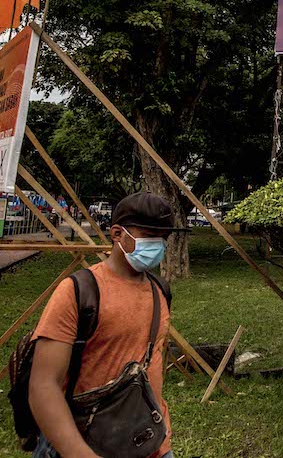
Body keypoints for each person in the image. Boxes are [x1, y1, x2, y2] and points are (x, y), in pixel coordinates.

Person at [29, 192, 180, 458]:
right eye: (148, 235)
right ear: (117, 234)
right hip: (87, 442)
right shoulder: (79, 292)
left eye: (162, 238)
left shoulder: (160, 291)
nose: (157, 244)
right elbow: (43, 387)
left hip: (152, 441)